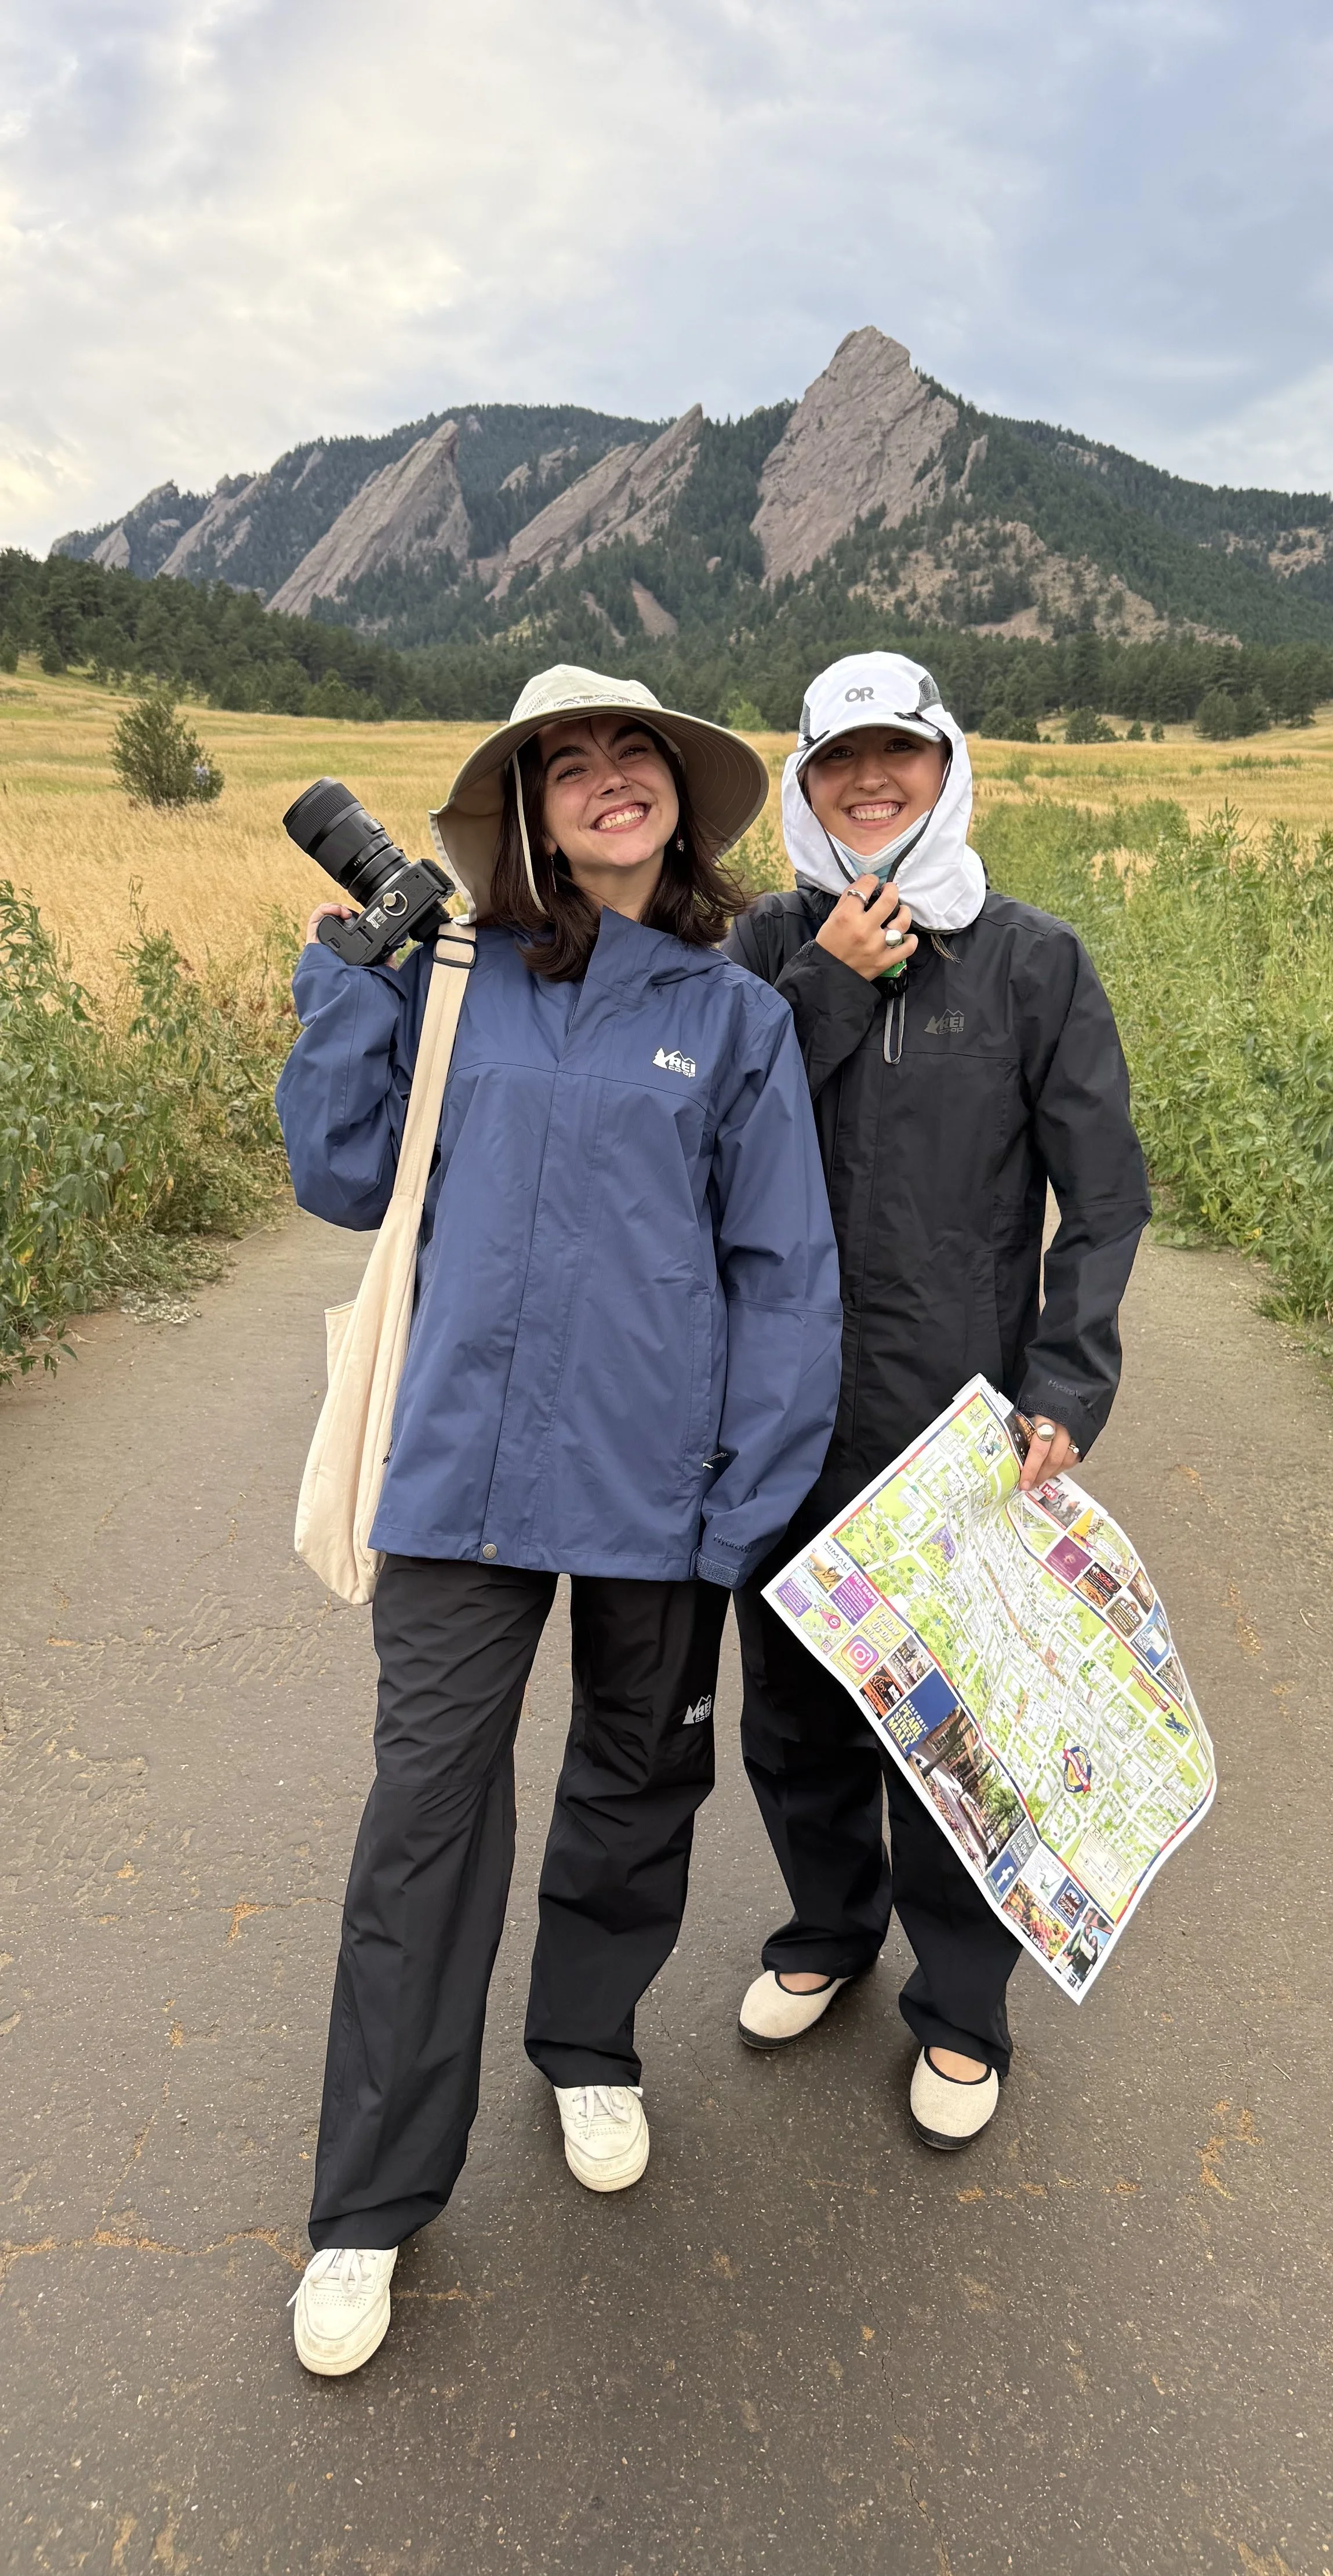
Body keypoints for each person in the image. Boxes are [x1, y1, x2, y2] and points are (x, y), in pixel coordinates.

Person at [276, 665, 841, 2375]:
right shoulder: (456, 978)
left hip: (654, 1484)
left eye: (634, 757)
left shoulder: (730, 1013)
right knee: (424, 1816)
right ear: (525, 804)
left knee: (634, 1772)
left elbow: (782, 1267)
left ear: (677, 796)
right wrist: (341, 984)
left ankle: (587, 2044)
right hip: (456, 1470)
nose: (608, 780)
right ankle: (367, 2207)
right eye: (569, 761)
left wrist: (749, 1490)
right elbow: (342, 1176)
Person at [725, 649, 1150, 2152]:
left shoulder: (1033, 962)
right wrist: (826, 976)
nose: (869, 783)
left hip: (948, 1424)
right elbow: (705, 1133)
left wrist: (1063, 1382)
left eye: (896, 754)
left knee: (950, 1727)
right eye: (840, 761)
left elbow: (1100, 1204)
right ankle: (828, 1928)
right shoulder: (760, 943)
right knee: (793, 1709)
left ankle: (962, 2010)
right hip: (776, 1415)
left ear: (945, 765)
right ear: (804, 780)